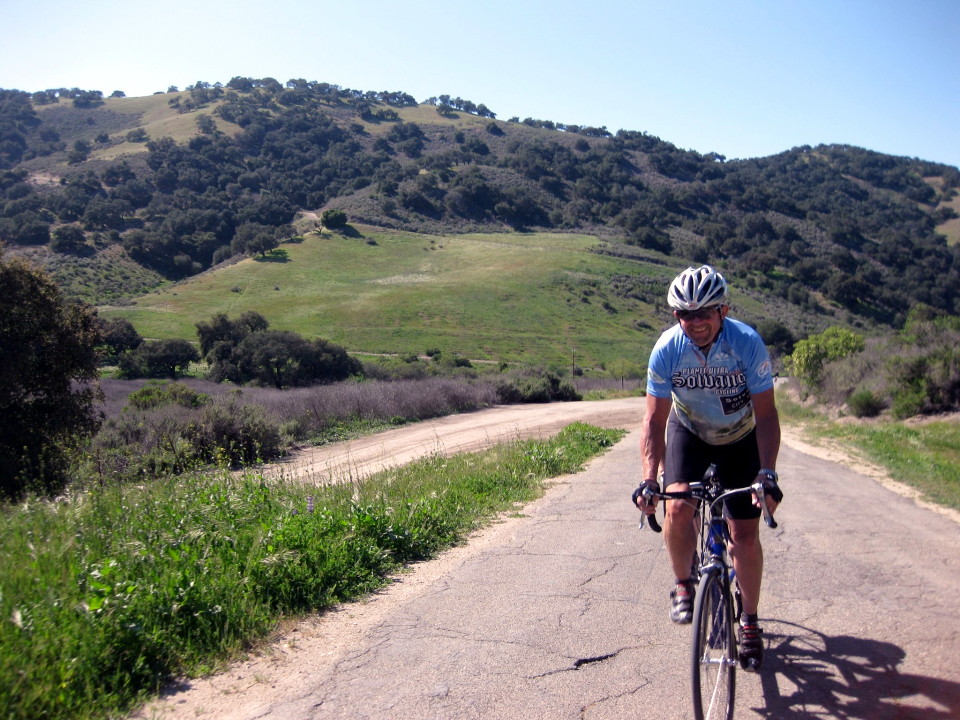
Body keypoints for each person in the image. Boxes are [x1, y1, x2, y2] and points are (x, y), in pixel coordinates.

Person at [633, 264, 782, 672]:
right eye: (685, 314)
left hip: (741, 437)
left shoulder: (746, 344)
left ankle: (749, 619)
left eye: (704, 313)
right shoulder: (667, 349)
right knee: (677, 506)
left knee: (744, 535)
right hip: (690, 431)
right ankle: (684, 584)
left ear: (723, 311)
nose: (694, 322)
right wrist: (649, 479)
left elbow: (767, 416)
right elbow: (654, 420)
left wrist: (766, 473)